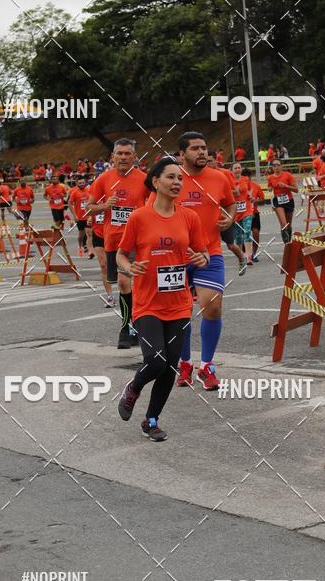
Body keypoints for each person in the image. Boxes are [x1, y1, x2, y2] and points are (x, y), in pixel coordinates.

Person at [116, 156, 208, 441]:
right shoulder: (139, 217)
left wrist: (199, 258)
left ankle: (151, 421)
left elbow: (203, 254)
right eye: (170, 177)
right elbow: (121, 254)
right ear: (155, 181)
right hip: (148, 302)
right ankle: (134, 387)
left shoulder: (189, 217)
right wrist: (130, 268)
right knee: (156, 361)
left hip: (179, 303)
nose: (177, 182)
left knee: (170, 366)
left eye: (179, 178)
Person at [175, 132, 235, 390]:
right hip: (175, 256)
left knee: (212, 307)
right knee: (180, 313)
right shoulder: (172, 178)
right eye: (195, 148)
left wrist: (230, 218)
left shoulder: (220, 177)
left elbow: (231, 204)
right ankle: (184, 363)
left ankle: (207, 366)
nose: (202, 152)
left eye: (204, 147)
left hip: (209, 252)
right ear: (181, 154)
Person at [87, 138, 149, 349]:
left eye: (127, 154)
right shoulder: (103, 179)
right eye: (119, 154)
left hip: (139, 241)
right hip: (114, 241)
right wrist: (105, 205)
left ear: (134, 157)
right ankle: (127, 326)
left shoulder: (145, 179)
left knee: (135, 285)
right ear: (112, 157)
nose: (123, 157)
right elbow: (89, 207)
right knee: (123, 285)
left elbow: (157, 204)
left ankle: (133, 328)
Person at [267, 160, 297, 243]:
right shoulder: (270, 177)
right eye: (274, 165)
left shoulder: (288, 175)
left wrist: (286, 186)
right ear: (272, 167)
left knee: (288, 224)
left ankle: (289, 244)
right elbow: (269, 186)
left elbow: (296, 190)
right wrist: (269, 188)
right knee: (283, 224)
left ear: (281, 166)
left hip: (289, 200)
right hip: (278, 201)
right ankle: (286, 244)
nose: (276, 167)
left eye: (278, 165)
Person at [231, 162, 253, 266]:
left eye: (239, 167)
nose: (237, 169)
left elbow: (249, 189)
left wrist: (250, 195)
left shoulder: (245, 179)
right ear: (232, 170)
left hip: (246, 209)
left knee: (247, 231)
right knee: (238, 236)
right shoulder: (229, 181)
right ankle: (241, 256)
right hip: (235, 212)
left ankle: (249, 256)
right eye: (235, 168)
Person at [69, 176, 93, 258]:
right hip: (79, 217)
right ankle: (80, 246)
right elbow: (70, 204)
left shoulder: (89, 190)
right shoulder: (74, 192)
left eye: (83, 182)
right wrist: (74, 215)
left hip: (88, 216)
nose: (82, 184)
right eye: (80, 183)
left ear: (85, 182)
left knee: (89, 233)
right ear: (77, 183)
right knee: (81, 235)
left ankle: (90, 251)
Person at [246, 169, 265, 261]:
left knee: (256, 233)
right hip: (242, 214)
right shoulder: (238, 187)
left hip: (254, 214)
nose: (246, 179)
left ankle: (254, 253)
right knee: (244, 235)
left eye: (248, 177)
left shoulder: (256, 186)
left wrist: (255, 200)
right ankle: (247, 253)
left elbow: (262, 199)